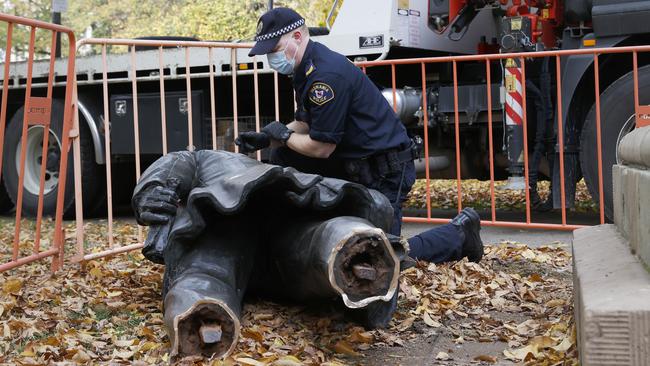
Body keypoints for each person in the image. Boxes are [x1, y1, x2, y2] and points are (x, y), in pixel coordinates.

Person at [235, 7, 483, 264]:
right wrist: (267, 138)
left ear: (297, 37)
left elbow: (321, 147)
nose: (271, 58)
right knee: (283, 155)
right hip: (358, 167)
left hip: (385, 172)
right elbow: (306, 123)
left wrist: (284, 135)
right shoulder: (306, 67)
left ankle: (459, 235)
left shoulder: (325, 75)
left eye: (274, 50)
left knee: (378, 259)